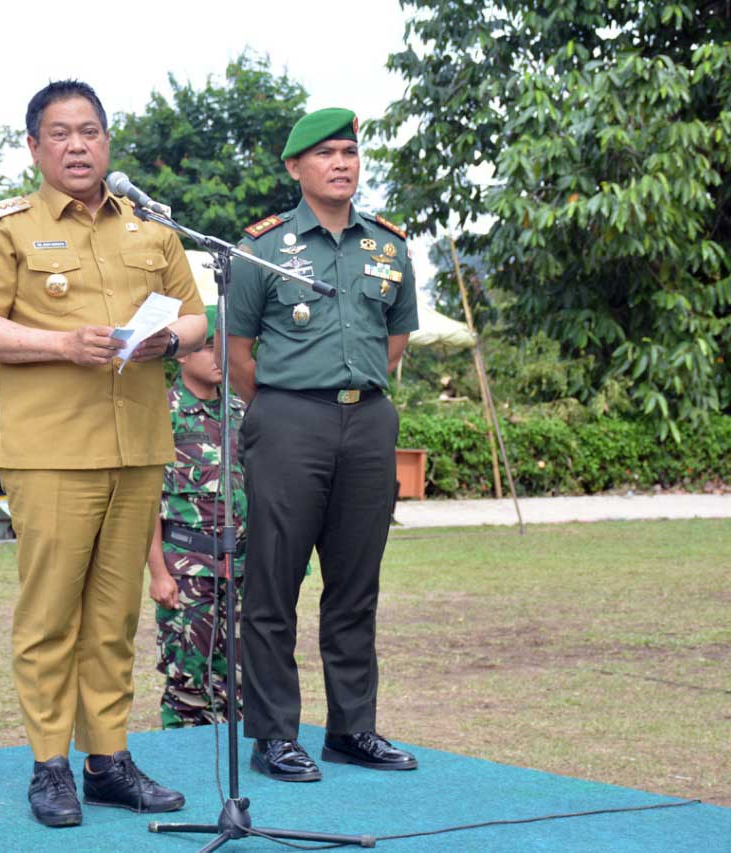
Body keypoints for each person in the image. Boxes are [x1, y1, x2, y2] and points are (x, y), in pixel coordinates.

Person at [0, 79, 206, 828]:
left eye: (89, 131)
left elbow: (194, 319)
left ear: (107, 140)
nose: (77, 145)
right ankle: (49, 765)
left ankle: (109, 760)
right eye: (59, 133)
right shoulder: (5, 228)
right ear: (35, 147)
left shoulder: (151, 231)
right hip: (53, 451)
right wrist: (61, 341)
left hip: (136, 448)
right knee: (51, 614)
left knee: (114, 615)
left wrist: (169, 338)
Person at [226, 108, 421, 782]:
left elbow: (393, 341)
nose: (342, 163)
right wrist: (286, 405)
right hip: (287, 419)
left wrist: (350, 395)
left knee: (355, 585)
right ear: (294, 168)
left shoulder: (390, 247)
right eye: (325, 153)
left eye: (350, 151)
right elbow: (237, 351)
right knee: (274, 583)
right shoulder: (260, 247)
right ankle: (275, 734)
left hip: (368, 420)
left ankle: (352, 728)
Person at [147, 305, 248, 729]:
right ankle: (186, 772)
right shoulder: (160, 413)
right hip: (186, 570)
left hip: (241, 568)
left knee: (240, 683)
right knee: (188, 684)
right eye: (209, 347)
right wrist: (158, 573)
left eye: (225, 347)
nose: (220, 356)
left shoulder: (241, 412)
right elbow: (145, 502)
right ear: (183, 354)